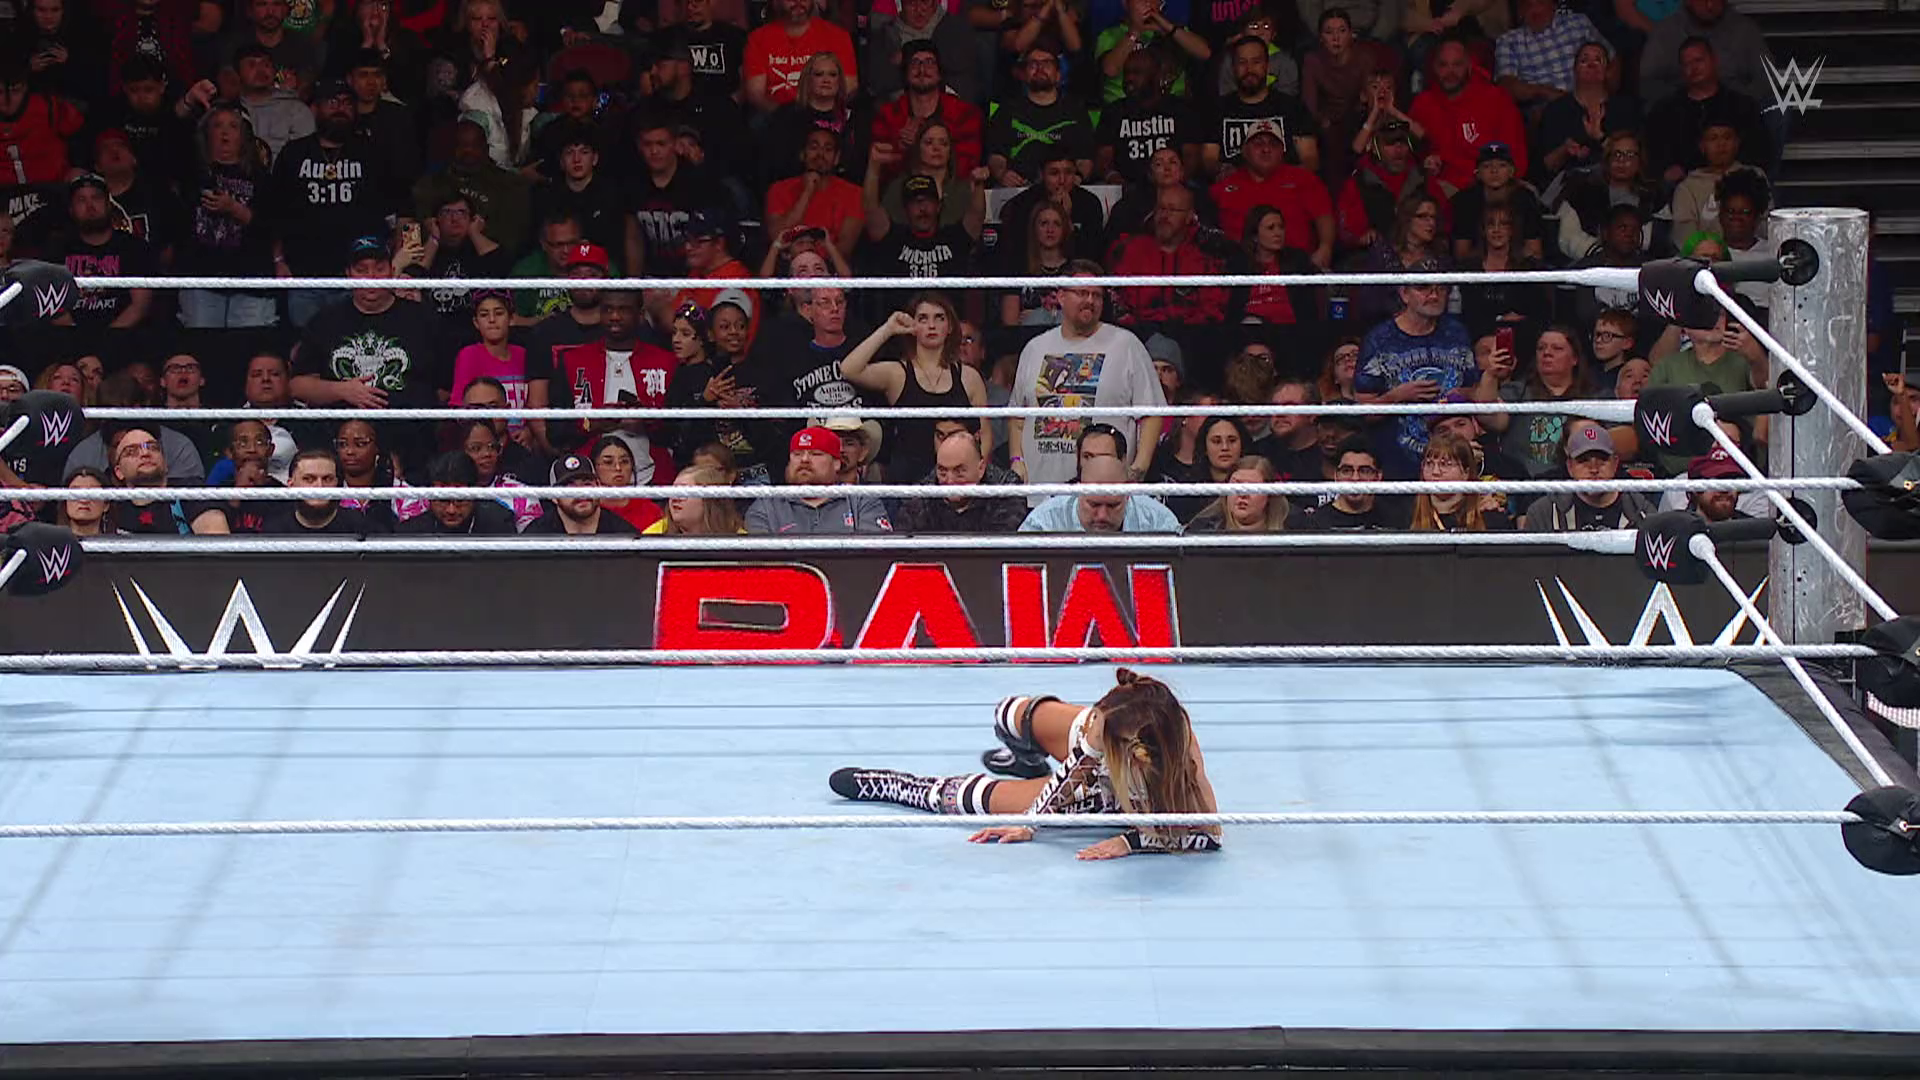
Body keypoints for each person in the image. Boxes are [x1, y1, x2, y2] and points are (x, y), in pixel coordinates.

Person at [829, 668, 1222, 858]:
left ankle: (899, 786)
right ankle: (1028, 760)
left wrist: (1130, 842)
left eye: (1099, 727)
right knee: (1009, 712)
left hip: (1107, 794)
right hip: (1094, 764)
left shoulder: (1182, 763)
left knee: (978, 802)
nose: (1093, 727)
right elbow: (1074, 769)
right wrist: (1032, 822)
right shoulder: (1103, 724)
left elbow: (1211, 835)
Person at [1007, 263, 1166, 499]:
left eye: (1097, 295)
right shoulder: (1035, 348)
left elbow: (1152, 414)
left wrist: (1137, 470)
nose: (1090, 300)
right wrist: (1016, 460)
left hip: (1104, 497)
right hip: (1039, 493)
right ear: (1061, 296)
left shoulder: (1126, 345)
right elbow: (1017, 417)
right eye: (1082, 293)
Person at [840, 293, 995, 483]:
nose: (931, 325)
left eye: (939, 318)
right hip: (907, 484)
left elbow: (985, 434)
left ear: (950, 327)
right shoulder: (897, 374)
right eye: (923, 318)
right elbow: (849, 369)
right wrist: (888, 329)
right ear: (912, 326)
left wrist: (974, 475)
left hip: (956, 483)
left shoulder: (969, 377)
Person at [1354, 270, 1482, 477]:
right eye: (1423, 288)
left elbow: (1475, 391)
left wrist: (1458, 395)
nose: (1434, 295)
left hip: (1453, 465)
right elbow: (1361, 412)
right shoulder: (1378, 340)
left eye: (1441, 288)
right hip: (1398, 465)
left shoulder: (1457, 333)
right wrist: (1397, 396)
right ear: (1404, 293)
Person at [1407, 38, 1527, 199]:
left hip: (1495, 185)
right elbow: (1410, 158)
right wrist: (1426, 165)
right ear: (1434, 68)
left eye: (1457, 65)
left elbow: (1516, 156)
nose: (1450, 72)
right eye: (1443, 65)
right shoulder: (1422, 104)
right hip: (1445, 189)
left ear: (1469, 66)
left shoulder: (1496, 99)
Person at [1208, 119, 1334, 267]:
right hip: (1239, 268)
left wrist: (1325, 247)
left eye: (1273, 144)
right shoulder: (1224, 186)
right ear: (1245, 151)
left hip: (1295, 267)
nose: (1266, 149)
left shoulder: (1304, 180)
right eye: (1258, 144)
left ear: (1282, 152)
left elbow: (1324, 216)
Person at [1206, 33, 1318, 174]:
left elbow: (1310, 158)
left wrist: (1285, 177)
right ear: (1233, 67)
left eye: (1256, 62)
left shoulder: (1292, 107)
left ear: (1267, 65)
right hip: (1235, 183)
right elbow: (1208, 159)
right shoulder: (1218, 108)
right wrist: (1224, 170)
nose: (1249, 69)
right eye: (1242, 62)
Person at [745, 426, 893, 533]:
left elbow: (873, 556)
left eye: (815, 454)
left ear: (836, 463)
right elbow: (761, 560)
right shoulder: (766, 506)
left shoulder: (862, 501)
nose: (804, 460)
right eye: (797, 454)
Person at [986, 45, 1094, 186]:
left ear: (1059, 75)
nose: (1040, 68)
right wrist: (1002, 174)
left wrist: (1077, 177)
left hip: (1065, 189)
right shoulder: (1006, 111)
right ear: (1024, 75)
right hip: (1018, 190)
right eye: (1033, 64)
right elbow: (996, 156)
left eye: (1047, 63)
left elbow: (1085, 159)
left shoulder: (1076, 112)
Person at [1521, 422, 1653, 531]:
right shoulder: (1544, 513)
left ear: (1615, 463)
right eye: (1583, 460)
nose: (1594, 469)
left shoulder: (1643, 512)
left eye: (1602, 459)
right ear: (1570, 467)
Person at [896, 427, 1027, 533]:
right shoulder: (919, 498)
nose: (950, 481)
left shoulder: (1007, 491)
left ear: (981, 468)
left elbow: (1000, 549)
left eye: (959, 472)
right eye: (942, 472)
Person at [106, 426, 231, 535]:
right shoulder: (111, 509)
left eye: (153, 448)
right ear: (119, 472)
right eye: (131, 452)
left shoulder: (192, 492)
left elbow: (217, 549)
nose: (145, 453)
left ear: (165, 464)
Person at [744, 0, 859, 111]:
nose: (798, 1)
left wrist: (818, 112)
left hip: (825, 113)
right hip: (775, 115)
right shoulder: (758, 39)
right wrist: (785, 115)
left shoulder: (838, 36)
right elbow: (756, 94)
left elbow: (849, 87)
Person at [1019, 455, 1181, 532]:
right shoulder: (1044, 523)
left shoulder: (1158, 520)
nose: (1102, 516)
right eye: (1094, 504)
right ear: (1078, 492)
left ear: (1128, 495)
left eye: (1113, 505)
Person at [1294, 438, 1411, 530]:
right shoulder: (1316, 524)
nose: (1355, 478)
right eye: (1347, 471)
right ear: (1336, 475)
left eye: (1364, 471)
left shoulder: (1397, 521)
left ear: (1378, 476)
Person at [1154, 415, 1248, 524]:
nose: (1225, 447)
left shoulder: (1254, 487)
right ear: (1205, 447)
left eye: (1232, 440)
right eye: (1216, 441)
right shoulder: (1187, 492)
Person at [263, 449, 382, 533]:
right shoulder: (273, 530)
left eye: (327, 479)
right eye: (309, 479)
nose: (319, 486)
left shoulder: (363, 527)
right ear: (291, 484)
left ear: (337, 483)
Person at [1409, 433, 1509, 531]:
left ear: (1466, 472)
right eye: (1429, 463)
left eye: (1445, 464)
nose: (1435, 472)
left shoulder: (1490, 517)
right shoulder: (1406, 513)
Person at [526, 453, 643, 534]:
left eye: (587, 484)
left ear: (598, 486)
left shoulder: (623, 534)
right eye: (570, 488)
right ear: (554, 497)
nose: (581, 493)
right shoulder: (536, 537)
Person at [1184, 455, 1289, 532]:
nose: (1242, 495)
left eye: (1252, 488)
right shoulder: (1202, 529)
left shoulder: (1292, 526)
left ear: (1269, 494)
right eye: (1236, 486)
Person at [589, 433, 666, 531]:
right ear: (594, 468)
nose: (618, 468)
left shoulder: (651, 511)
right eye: (608, 462)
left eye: (624, 461)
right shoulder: (587, 510)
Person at [644, 465, 746, 534]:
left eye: (684, 492)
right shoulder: (655, 535)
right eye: (673, 491)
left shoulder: (740, 541)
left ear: (709, 500)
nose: (675, 498)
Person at [55, 467, 116, 537]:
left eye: (92, 493)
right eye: (75, 493)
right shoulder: (49, 541)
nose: (83, 500)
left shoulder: (123, 541)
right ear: (65, 501)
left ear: (106, 505)